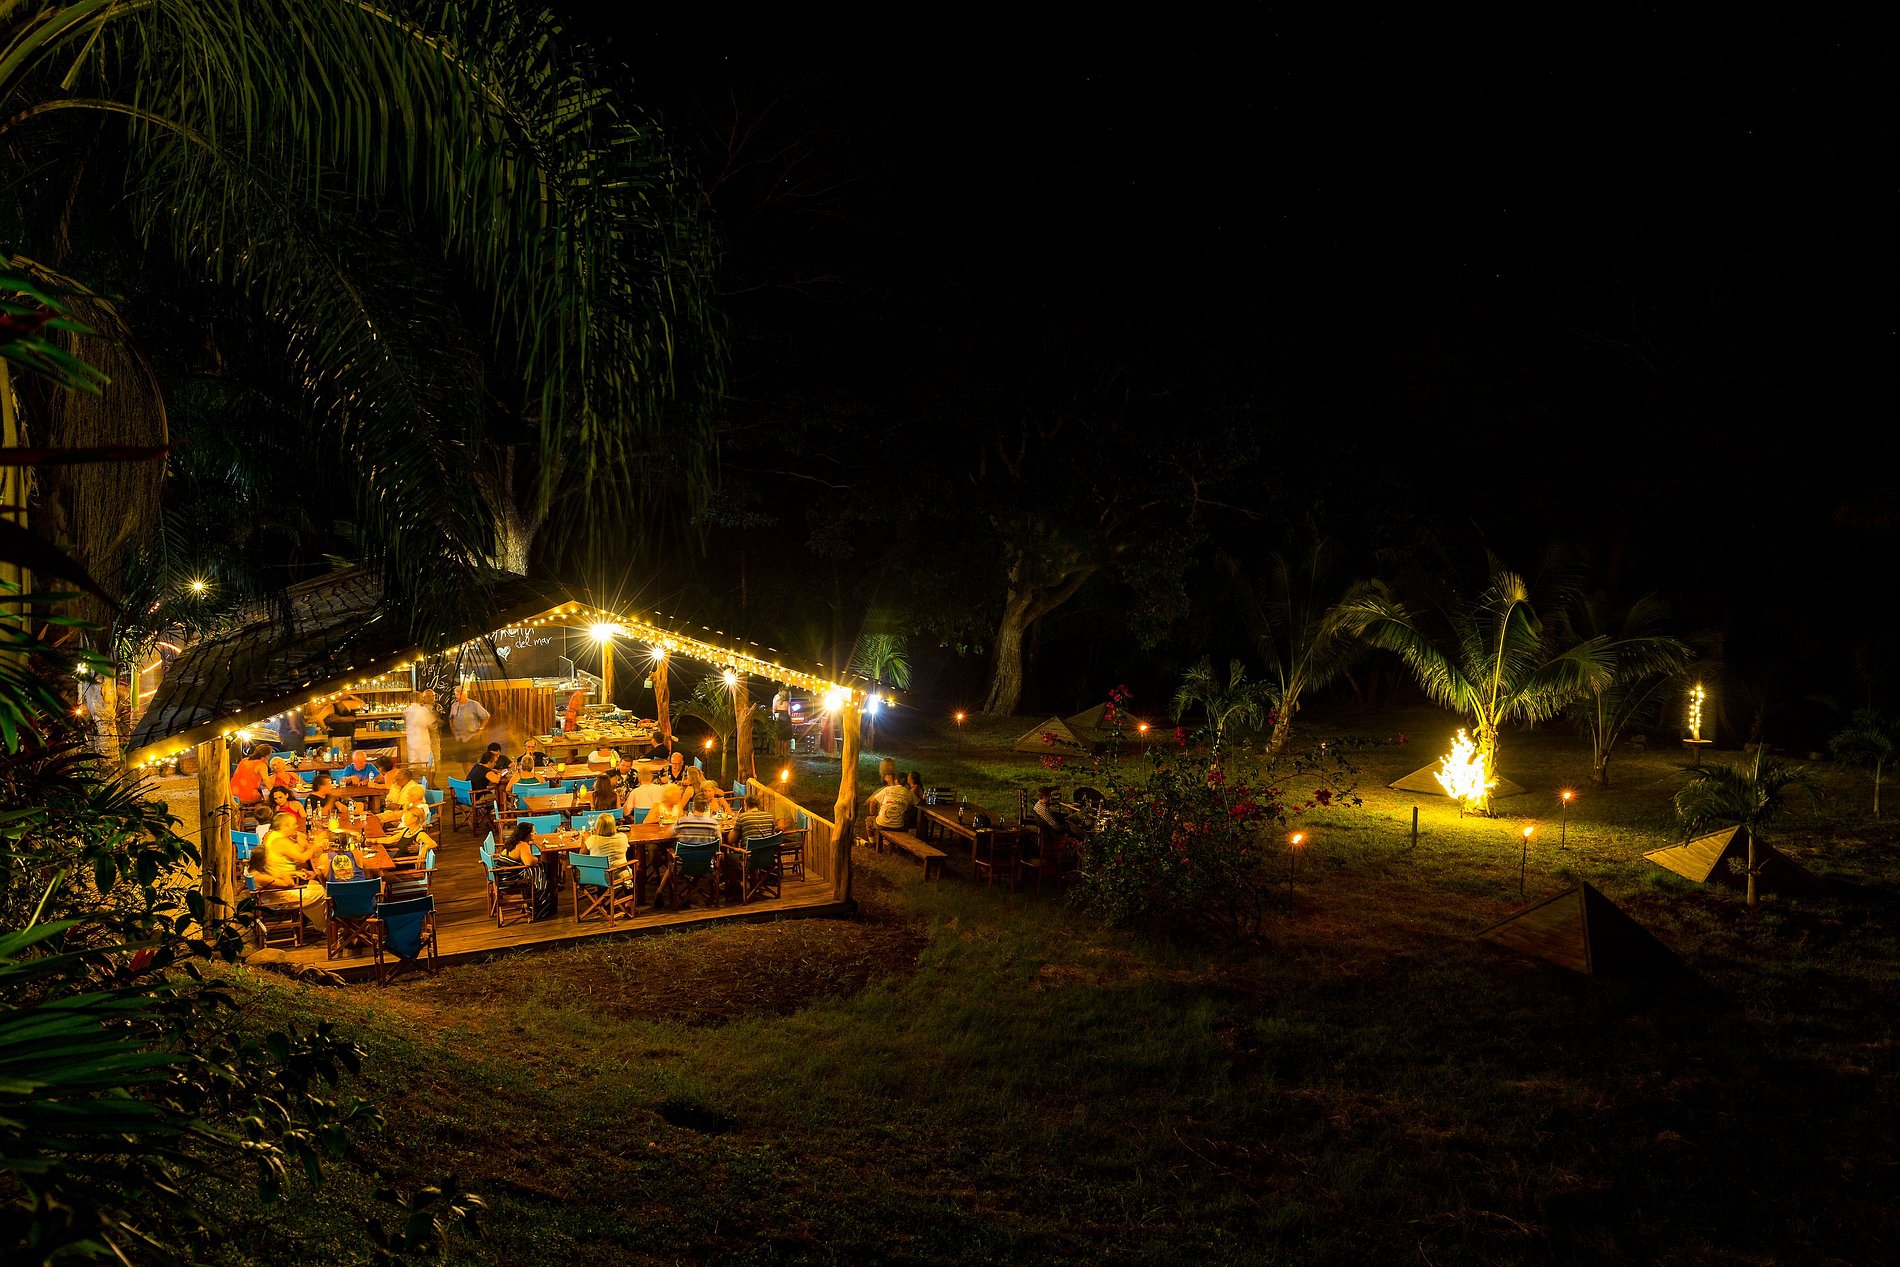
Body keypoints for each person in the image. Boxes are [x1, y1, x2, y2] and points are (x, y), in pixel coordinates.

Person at [248, 839, 327, 936]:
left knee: (316, 886)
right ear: (262, 860)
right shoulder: (261, 877)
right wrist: (281, 873)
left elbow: (276, 877)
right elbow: (289, 884)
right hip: (279, 900)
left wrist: (293, 873)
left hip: (274, 896)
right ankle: (324, 927)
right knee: (322, 892)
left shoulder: (255, 871)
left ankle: (318, 923)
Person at [372, 804, 436, 860]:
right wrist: (373, 840)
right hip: (397, 859)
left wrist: (424, 848)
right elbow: (389, 840)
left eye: (407, 816)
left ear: (415, 818)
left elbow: (433, 844)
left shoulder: (420, 834)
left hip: (403, 863)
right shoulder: (407, 830)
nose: (404, 818)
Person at [866, 766, 916, 837]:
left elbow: (872, 802)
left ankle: (872, 842)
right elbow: (918, 803)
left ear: (896, 780)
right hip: (899, 826)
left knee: (868, 820)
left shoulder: (888, 789)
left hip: (882, 824)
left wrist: (873, 815)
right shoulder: (910, 793)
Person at [377, 766, 427, 830]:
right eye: (395, 778)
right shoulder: (395, 786)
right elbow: (389, 797)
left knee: (377, 820)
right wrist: (388, 803)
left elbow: (414, 808)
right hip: (391, 812)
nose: (395, 781)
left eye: (398, 779)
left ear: (406, 779)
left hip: (403, 815)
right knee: (375, 818)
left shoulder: (414, 788)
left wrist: (399, 806)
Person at [403, 689, 438, 772]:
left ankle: (414, 780)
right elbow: (431, 725)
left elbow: (404, 719)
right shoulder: (423, 710)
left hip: (411, 742)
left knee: (413, 764)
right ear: (420, 699)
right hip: (423, 742)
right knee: (429, 765)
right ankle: (428, 780)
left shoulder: (407, 711)